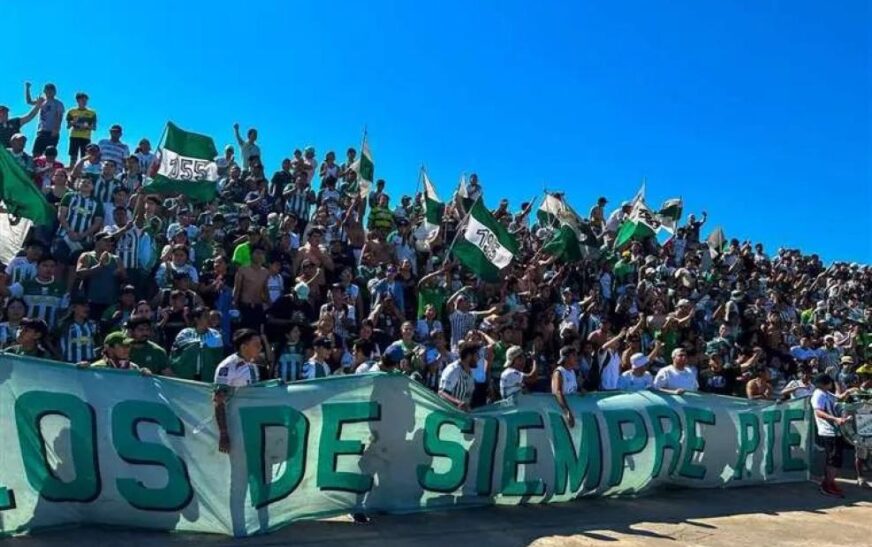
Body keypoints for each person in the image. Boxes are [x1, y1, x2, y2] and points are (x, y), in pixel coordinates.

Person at [214, 329, 262, 453]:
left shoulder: (253, 364)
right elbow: (218, 400)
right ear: (244, 347)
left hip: (252, 421)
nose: (260, 347)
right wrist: (223, 433)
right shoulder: (228, 366)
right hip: (234, 423)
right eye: (256, 345)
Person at [811, 373, 856, 497]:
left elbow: (838, 398)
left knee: (836, 459)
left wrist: (847, 392)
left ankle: (830, 482)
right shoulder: (818, 395)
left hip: (835, 431)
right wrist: (835, 419)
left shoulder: (826, 393)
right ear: (825, 383)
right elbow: (818, 412)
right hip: (828, 431)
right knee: (832, 460)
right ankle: (826, 485)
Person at [170, 307, 225, 381]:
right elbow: (176, 353)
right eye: (206, 316)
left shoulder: (216, 334)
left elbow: (218, 357)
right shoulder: (185, 333)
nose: (209, 319)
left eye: (209, 316)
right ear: (197, 319)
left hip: (208, 378)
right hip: (186, 377)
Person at [25, 82, 64, 156]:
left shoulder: (58, 103)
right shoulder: (42, 101)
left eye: (51, 90)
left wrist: (56, 129)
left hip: (52, 132)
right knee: (36, 153)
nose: (49, 92)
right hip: (42, 131)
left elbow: (60, 117)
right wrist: (27, 88)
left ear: (54, 92)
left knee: (49, 155)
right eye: (47, 90)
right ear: (44, 91)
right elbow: (29, 102)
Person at [438, 343, 479, 410]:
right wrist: (459, 403)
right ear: (468, 356)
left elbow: (468, 396)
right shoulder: (454, 370)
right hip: (447, 412)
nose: (478, 358)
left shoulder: (470, 373)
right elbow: (441, 393)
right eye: (476, 355)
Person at [66, 92, 97, 167]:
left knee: (84, 156)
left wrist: (85, 126)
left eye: (85, 100)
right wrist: (73, 122)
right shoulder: (71, 111)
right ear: (77, 100)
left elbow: (94, 128)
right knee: (73, 156)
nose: (84, 102)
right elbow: (68, 126)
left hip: (86, 137)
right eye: (82, 100)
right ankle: (72, 170)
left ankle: (82, 171)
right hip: (74, 136)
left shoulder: (92, 113)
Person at [552, 346, 579, 427]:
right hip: (561, 412)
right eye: (573, 355)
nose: (576, 358)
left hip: (573, 411)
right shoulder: (559, 372)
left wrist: (581, 390)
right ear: (566, 358)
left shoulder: (572, 372)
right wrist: (567, 412)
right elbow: (557, 392)